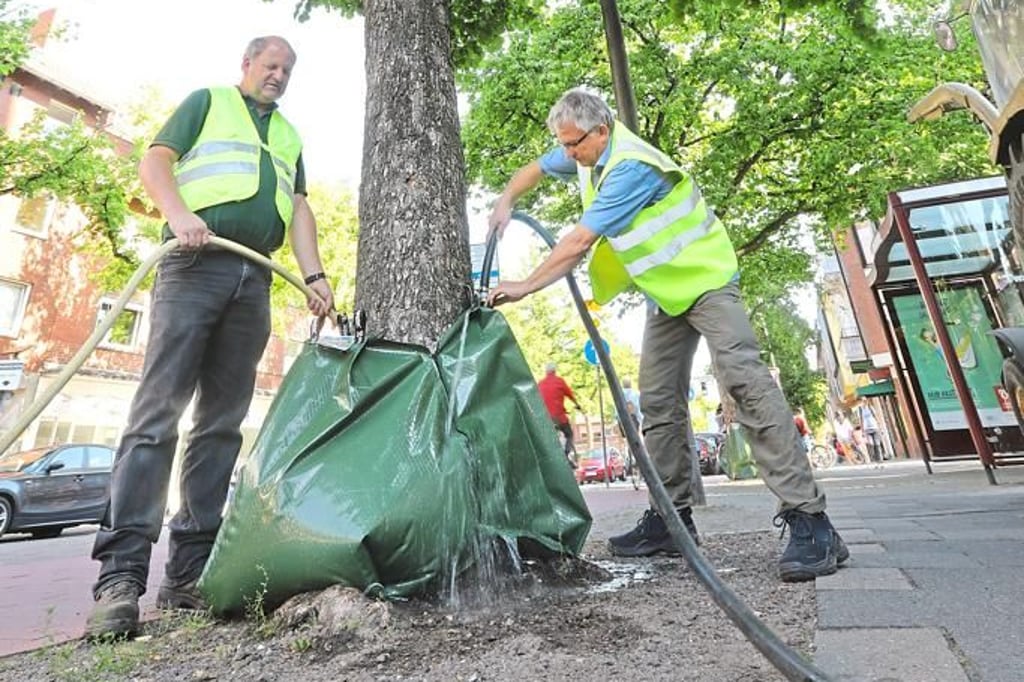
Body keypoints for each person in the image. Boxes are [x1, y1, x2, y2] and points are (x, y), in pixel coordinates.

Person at [486, 88, 847, 582]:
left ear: (602, 130)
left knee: (746, 384)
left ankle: (812, 521)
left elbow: (578, 243)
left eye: (574, 144)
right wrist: (507, 198)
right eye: (564, 145)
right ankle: (672, 522)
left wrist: (524, 285)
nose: (568, 155)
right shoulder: (586, 153)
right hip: (668, 295)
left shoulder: (632, 168)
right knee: (656, 402)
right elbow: (535, 168)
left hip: (708, 282)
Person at [85, 36, 334, 639]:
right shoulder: (208, 101)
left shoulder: (290, 136)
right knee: (156, 416)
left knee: (222, 424)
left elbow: (299, 209)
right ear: (247, 65)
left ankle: (189, 574)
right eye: (270, 65)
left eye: (288, 70)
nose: (278, 75)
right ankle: (120, 578)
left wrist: (315, 276)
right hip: (194, 267)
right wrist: (177, 215)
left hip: (254, 279)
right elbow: (155, 160)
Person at [537, 362, 582, 462]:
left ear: (546, 371)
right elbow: (569, 394)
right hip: (559, 416)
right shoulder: (559, 382)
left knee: (548, 435)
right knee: (569, 434)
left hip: (545, 418)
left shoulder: (540, 383)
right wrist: (577, 404)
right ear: (555, 371)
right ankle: (566, 454)